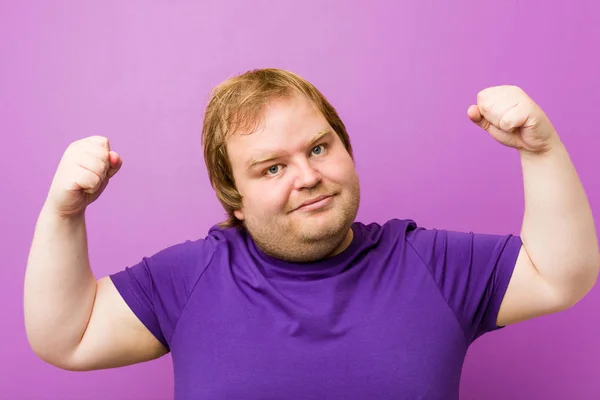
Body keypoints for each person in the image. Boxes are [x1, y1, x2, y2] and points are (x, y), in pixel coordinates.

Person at [24, 68, 599, 399]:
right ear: (235, 198)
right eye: (272, 167)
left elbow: (560, 277)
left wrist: (541, 151)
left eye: (320, 147)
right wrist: (63, 213)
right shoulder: (191, 278)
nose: (309, 177)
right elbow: (67, 337)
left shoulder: (426, 262)